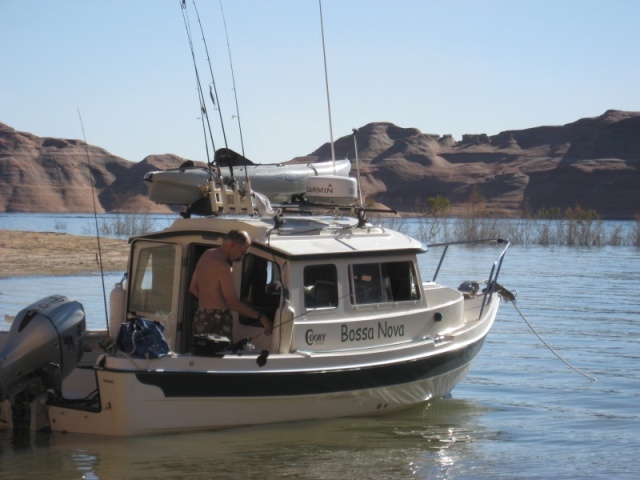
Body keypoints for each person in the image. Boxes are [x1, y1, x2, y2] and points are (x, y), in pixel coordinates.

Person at [189, 230, 272, 341]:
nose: (242, 257)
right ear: (232, 245)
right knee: (219, 356)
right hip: (217, 321)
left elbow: (192, 288)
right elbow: (233, 304)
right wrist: (261, 317)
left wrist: (209, 302)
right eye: (243, 252)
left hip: (201, 316)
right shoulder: (223, 267)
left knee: (202, 355)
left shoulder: (206, 255)